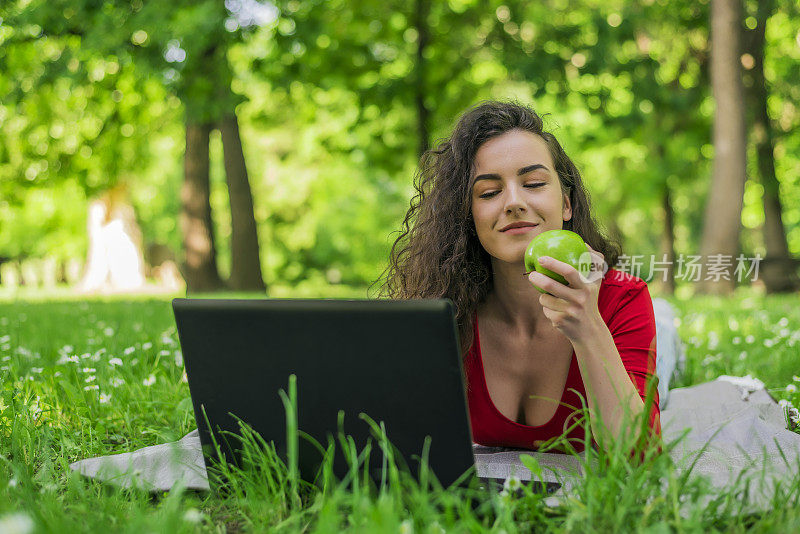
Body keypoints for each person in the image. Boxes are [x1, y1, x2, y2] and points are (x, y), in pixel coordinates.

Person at [375, 100, 661, 458]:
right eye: (490, 192)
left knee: (666, 341)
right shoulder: (442, 310)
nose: (514, 202)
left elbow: (639, 457)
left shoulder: (623, 298)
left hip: (631, 323)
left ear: (567, 204)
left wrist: (588, 327)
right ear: (468, 216)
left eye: (534, 183)